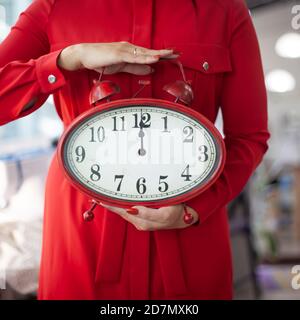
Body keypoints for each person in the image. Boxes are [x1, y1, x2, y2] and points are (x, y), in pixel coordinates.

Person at [0, 0, 270, 299]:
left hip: (189, 234)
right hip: (83, 234)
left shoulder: (225, 11)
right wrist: (66, 59)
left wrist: (194, 210)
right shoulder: (55, 7)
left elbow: (248, 137)